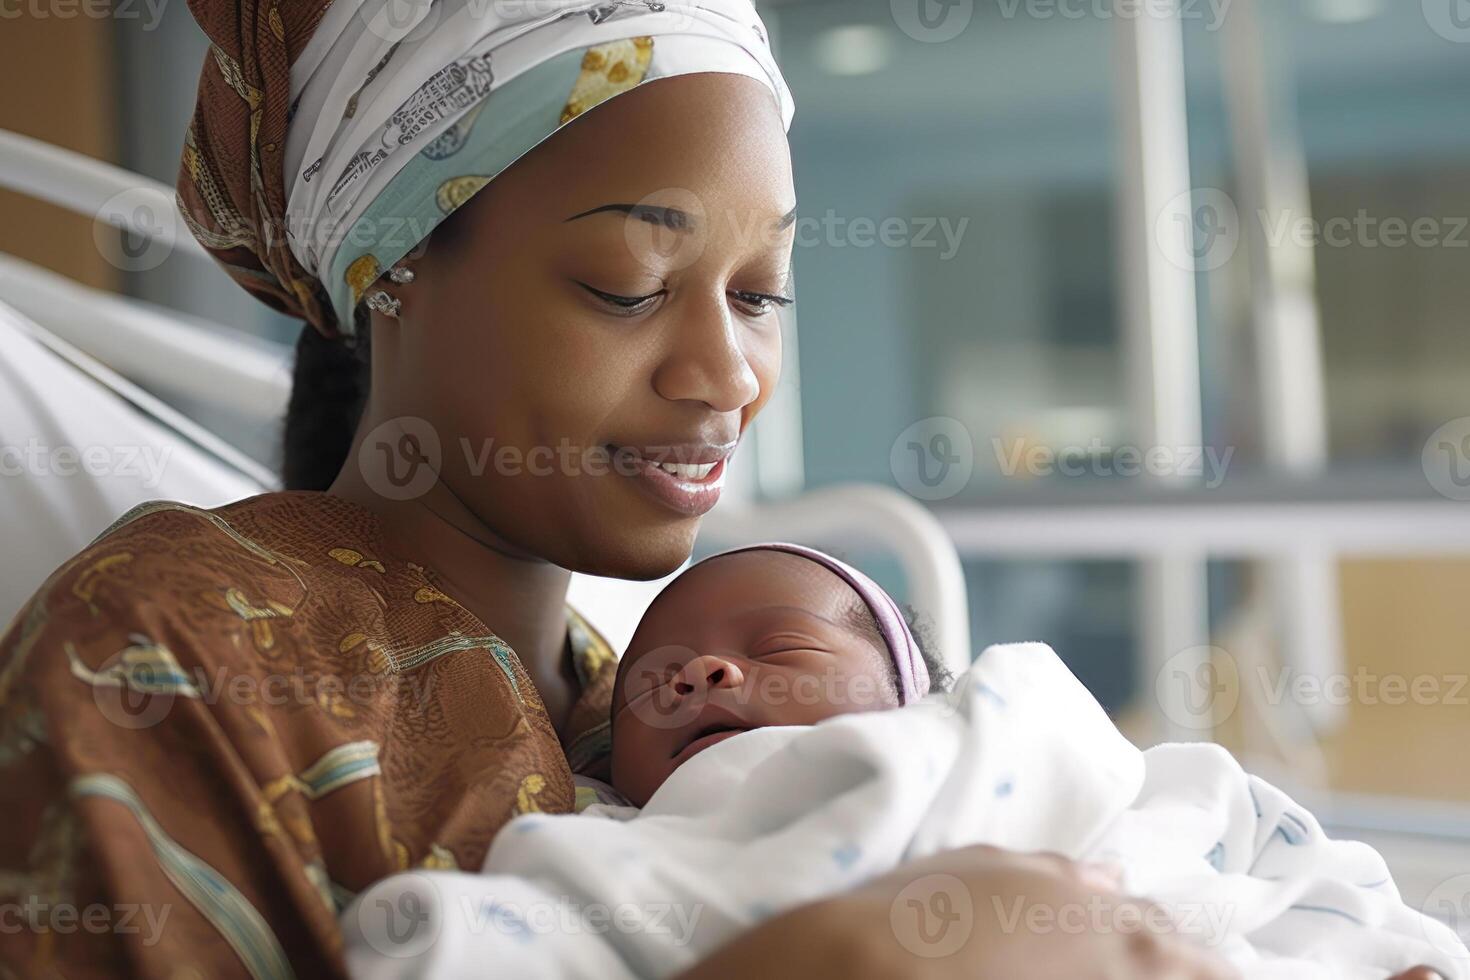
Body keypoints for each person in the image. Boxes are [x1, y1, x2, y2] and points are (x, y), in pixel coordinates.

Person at [0, 1, 1428, 977]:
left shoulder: (668, 707)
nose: (726, 376)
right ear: (394, 269)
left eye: (761, 294)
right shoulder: (172, 654)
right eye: (629, 285)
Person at [341, 544, 1466, 978]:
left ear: (908, 689)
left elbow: (1241, 835)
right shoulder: (638, 835)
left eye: (772, 646)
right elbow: (582, 918)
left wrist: (1369, 950)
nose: (699, 675)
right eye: (659, 674)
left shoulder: (999, 722)